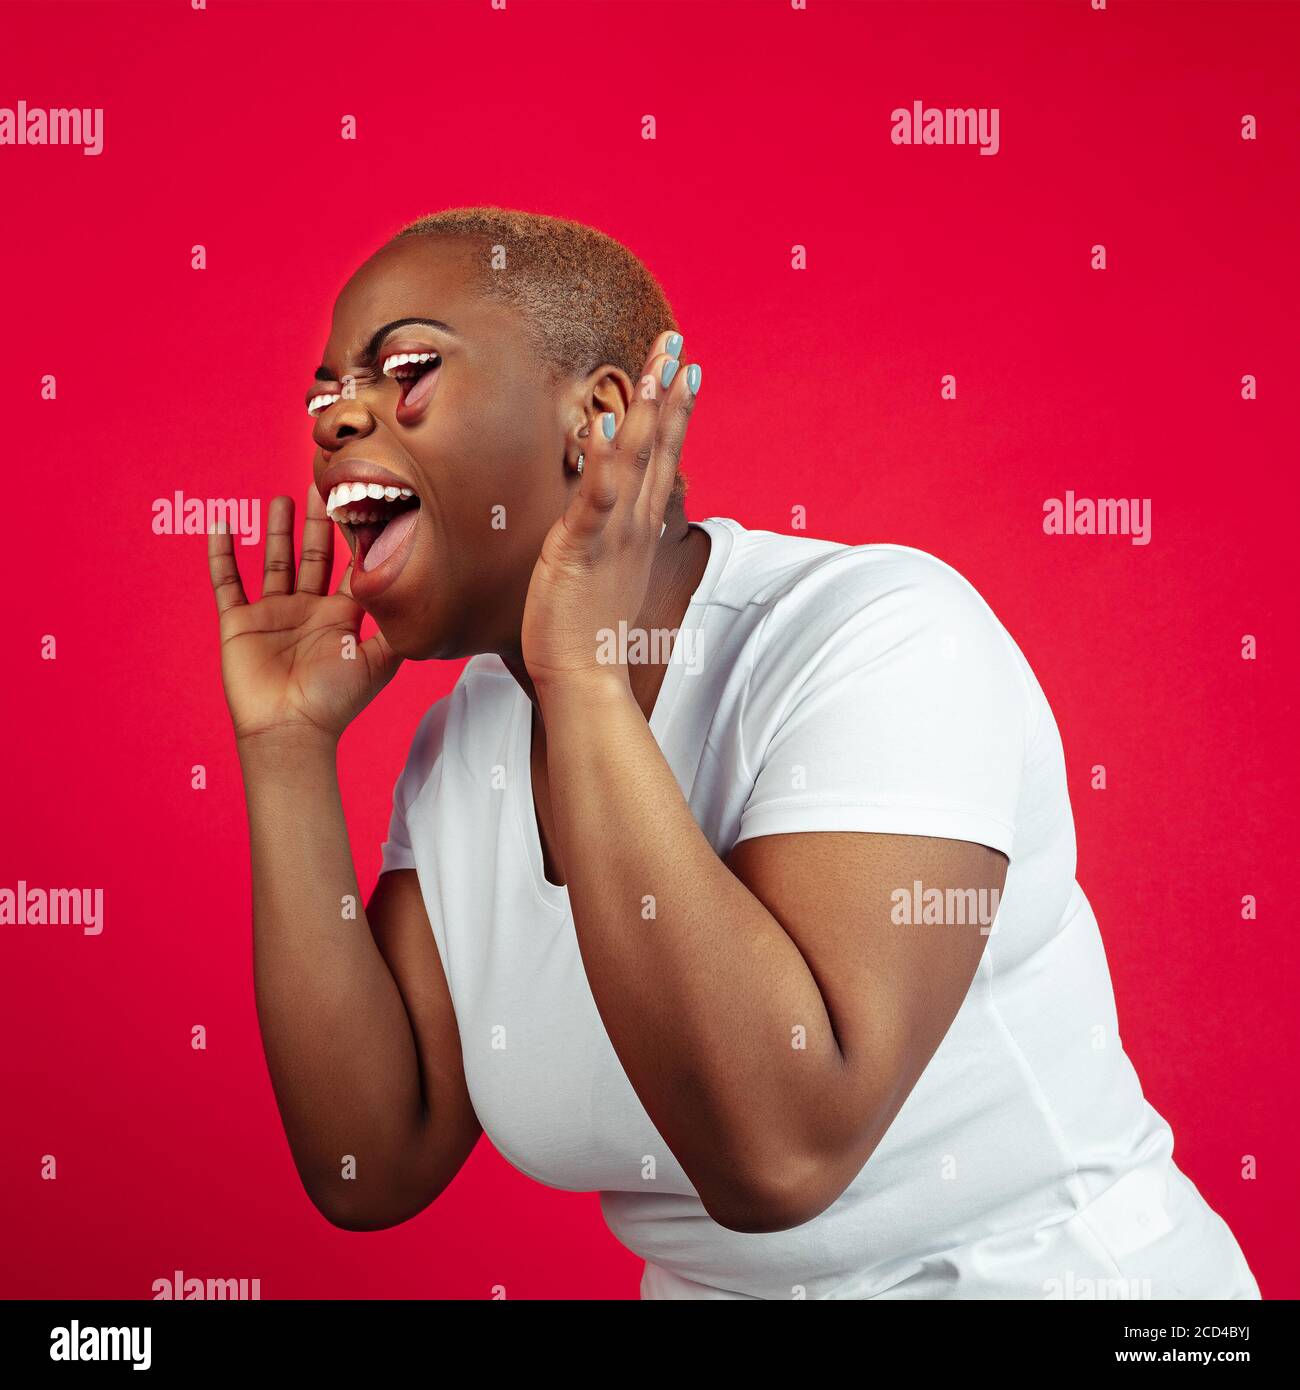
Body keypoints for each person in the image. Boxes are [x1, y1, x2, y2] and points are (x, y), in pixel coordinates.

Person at [207, 206, 1260, 1300]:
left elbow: (781, 1151)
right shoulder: (460, 747)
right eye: (327, 394)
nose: (338, 420)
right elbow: (370, 1159)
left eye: (406, 369)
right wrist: (284, 749)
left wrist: (583, 678)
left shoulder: (879, 636)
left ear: (597, 419)